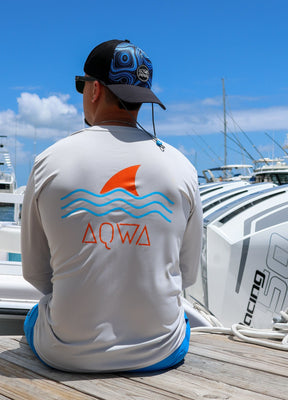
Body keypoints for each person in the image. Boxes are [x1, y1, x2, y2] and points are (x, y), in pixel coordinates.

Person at [21, 39, 203, 372]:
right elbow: (187, 274)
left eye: (82, 86)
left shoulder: (49, 162)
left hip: (65, 354)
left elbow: (35, 273)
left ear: (93, 91)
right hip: (160, 352)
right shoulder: (182, 167)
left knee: (35, 315)